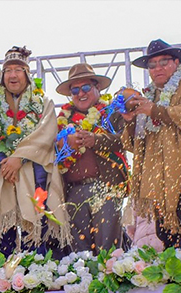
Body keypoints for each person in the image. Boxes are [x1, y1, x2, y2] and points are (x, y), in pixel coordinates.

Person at [0, 46, 70, 256]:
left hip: (37, 182)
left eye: (18, 70)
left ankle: (36, 281)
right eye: (8, 70)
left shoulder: (43, 102)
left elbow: (45, 135)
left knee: (38, 238)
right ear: (2, 75)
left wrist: (19, 159)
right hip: (3, 177)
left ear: (27, 74)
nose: (13, 75)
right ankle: (7, 283)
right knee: (5, 241)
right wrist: (4, 162)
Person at [119, 39, 181, 249]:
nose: (157, 68)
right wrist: (130, 122)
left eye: (163, 62)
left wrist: (156, 111)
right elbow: (134, 143)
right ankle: (175, 277)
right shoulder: (149, 94)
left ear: (176, 62)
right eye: (152, 65)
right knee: (164, 233)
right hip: (156, 178)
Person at [52, 63, 131, 253]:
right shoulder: (62, 119)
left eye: (86, 87)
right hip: (73, 191)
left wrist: (96, 140)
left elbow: (126, 140)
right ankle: (83, 282)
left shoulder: (112, 113)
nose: (81, 93)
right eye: (75, 89)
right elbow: (49, 149)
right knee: (79, 251)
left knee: (108, 249)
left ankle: (111, 280)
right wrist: (65, 142)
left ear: (97, 88)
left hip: (106, 187)